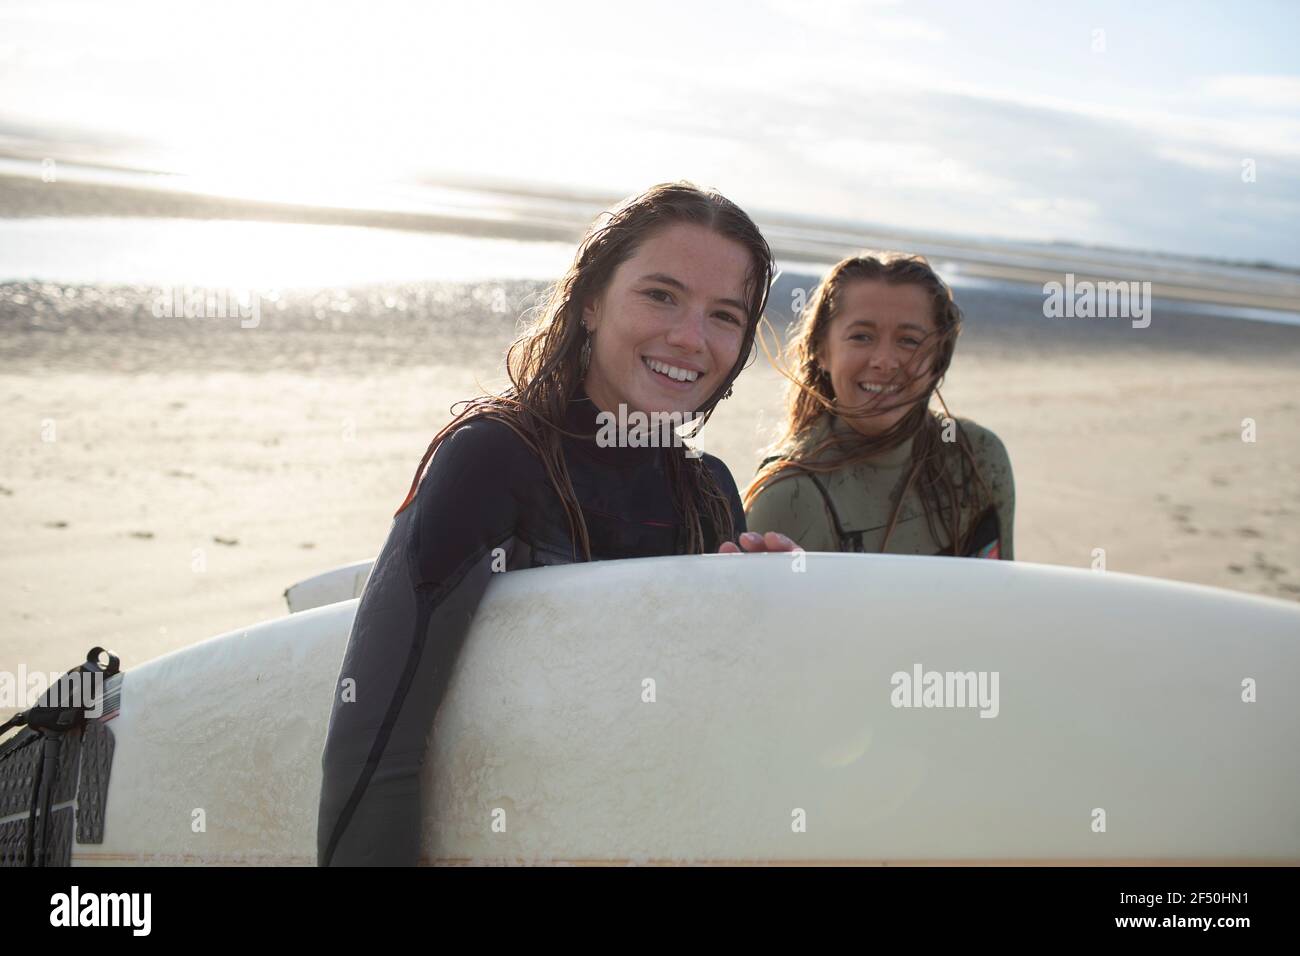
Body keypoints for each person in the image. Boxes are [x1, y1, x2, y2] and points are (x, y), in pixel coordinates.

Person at [317, 182, 795, 866]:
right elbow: (372, 744)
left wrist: (769, 619)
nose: (690, 338)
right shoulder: (493, 461)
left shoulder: (711, 492)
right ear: (592, 300)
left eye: (724, 315)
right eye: (661, 295)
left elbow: (699, 739)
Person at [744, 254, 1014, 558]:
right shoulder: (789, 495)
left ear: (938, 356)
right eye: (862, 336)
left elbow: (1003, 595)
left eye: (909, 340)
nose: (884, 361)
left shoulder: (977, 457)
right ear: (822, 350)